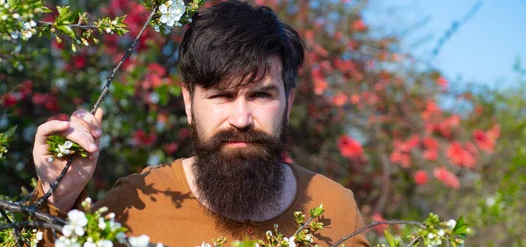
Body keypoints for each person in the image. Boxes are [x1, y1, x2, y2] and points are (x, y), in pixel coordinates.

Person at [29, 1, 371, 246]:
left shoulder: (336, 210)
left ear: (288, 102)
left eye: (261, 96)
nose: (241, 119)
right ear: (188, 103)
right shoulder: (134, 205)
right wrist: (59, 198)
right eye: (221, 96)